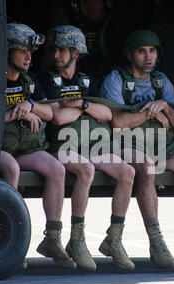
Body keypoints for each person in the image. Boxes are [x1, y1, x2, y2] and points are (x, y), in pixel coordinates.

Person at [101, 29, 174, 269]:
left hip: (162, 144)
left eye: (152, 51)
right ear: (130, 55)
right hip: (126, 144)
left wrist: (165, 104)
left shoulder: (161, 81)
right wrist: (150, 112)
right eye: (142, 51)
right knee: (146, 168)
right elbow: (117, 122)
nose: (148, 56)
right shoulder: (116, 79)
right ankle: (156, 241)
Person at [39, 25, 135, 271]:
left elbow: (106, 114)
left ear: (76, 53)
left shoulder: (86, 80)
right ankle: (76, 239)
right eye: (54, 50)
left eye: (63, 50)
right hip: (60, 145)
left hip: (91, 144)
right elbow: (57, 118)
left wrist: (80, 104)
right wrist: (84, 109)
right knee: (86, 170)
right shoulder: (46, 80)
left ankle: (114, 238)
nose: (56, 55)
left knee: (127, 173)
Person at [2, 22, 76, 269]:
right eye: (22, 51)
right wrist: (16, 112)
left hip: (27, 148)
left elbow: (52, 111)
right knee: (11, 169)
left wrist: (31, 107)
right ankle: (11, 241)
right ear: (8, 51)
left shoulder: (29, 80)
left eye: (30, 52)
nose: (28, 57)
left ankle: (53, 238)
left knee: (57, 169)